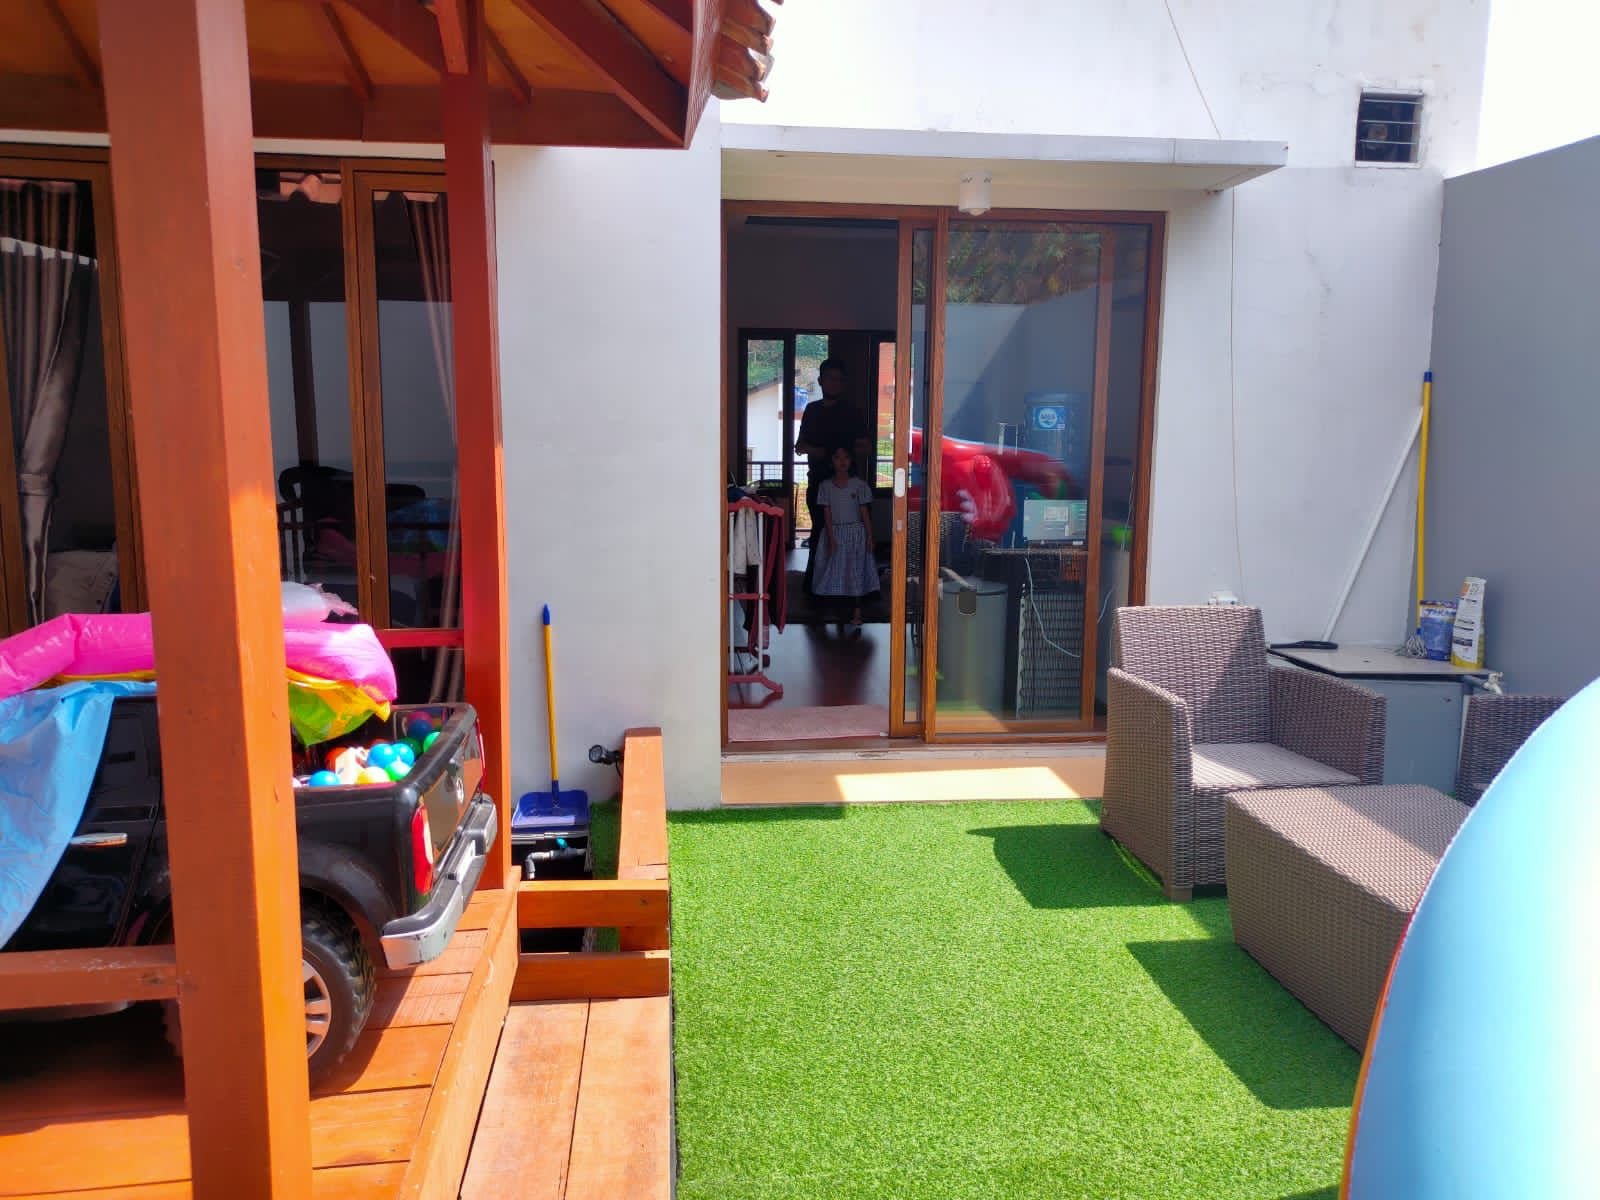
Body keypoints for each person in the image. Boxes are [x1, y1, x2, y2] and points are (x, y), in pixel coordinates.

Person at [793, 358, 868, 539]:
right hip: (818, 482)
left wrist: (846, 454)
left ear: (844, 383)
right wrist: (818, 451)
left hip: (848, 485)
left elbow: (866, 447)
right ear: (820, 381)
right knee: (819, 535)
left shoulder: (852, 412)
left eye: (839, 379)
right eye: (830, 378)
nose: (835, 383)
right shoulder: (812, 410)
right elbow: (799, 446)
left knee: (848, 534)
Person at [810, 445, 879, 628]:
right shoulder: (825, 486)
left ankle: (857, 611)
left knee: (855, 572)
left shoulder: (859, 485)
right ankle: (833, 609)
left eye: (846, 457)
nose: (842, 461)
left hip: (856, 535)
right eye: (837, 457)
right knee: (832, 570)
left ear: (851, 461)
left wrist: (870, 536)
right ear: (831, 461)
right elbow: (827, 513)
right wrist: (831, 538)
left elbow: (864, 512)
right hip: (835, 533)